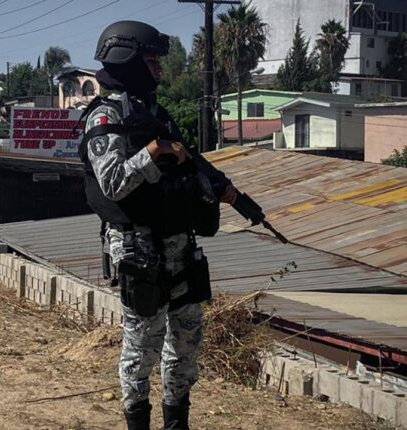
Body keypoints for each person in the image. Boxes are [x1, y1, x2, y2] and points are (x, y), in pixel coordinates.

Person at [78, 21, 237, 430]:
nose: (160, 69)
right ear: (127, 61)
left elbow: (187, 164)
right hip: (138, 249)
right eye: (151, 61)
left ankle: (176, 422)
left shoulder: (153, 113)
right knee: (142, 347)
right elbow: (112, 182)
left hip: (178, 244)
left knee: (186, 342)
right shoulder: (103, 117)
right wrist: (153, 151)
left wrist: (217, 189)